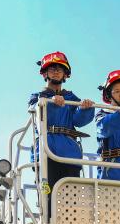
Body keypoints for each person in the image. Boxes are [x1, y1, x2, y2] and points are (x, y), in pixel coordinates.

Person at [28, 51, 94, 196]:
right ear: (45, 73)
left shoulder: (71, 98)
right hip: (46, 149)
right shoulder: (38, 96)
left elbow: (79, 120)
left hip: (70, 152)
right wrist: (52, 102)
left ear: (65, 74)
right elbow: (35, 111)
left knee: (72, 199)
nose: (56, 71)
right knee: (48, 197)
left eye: (60, 69)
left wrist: (86, 109)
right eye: (52, 68)